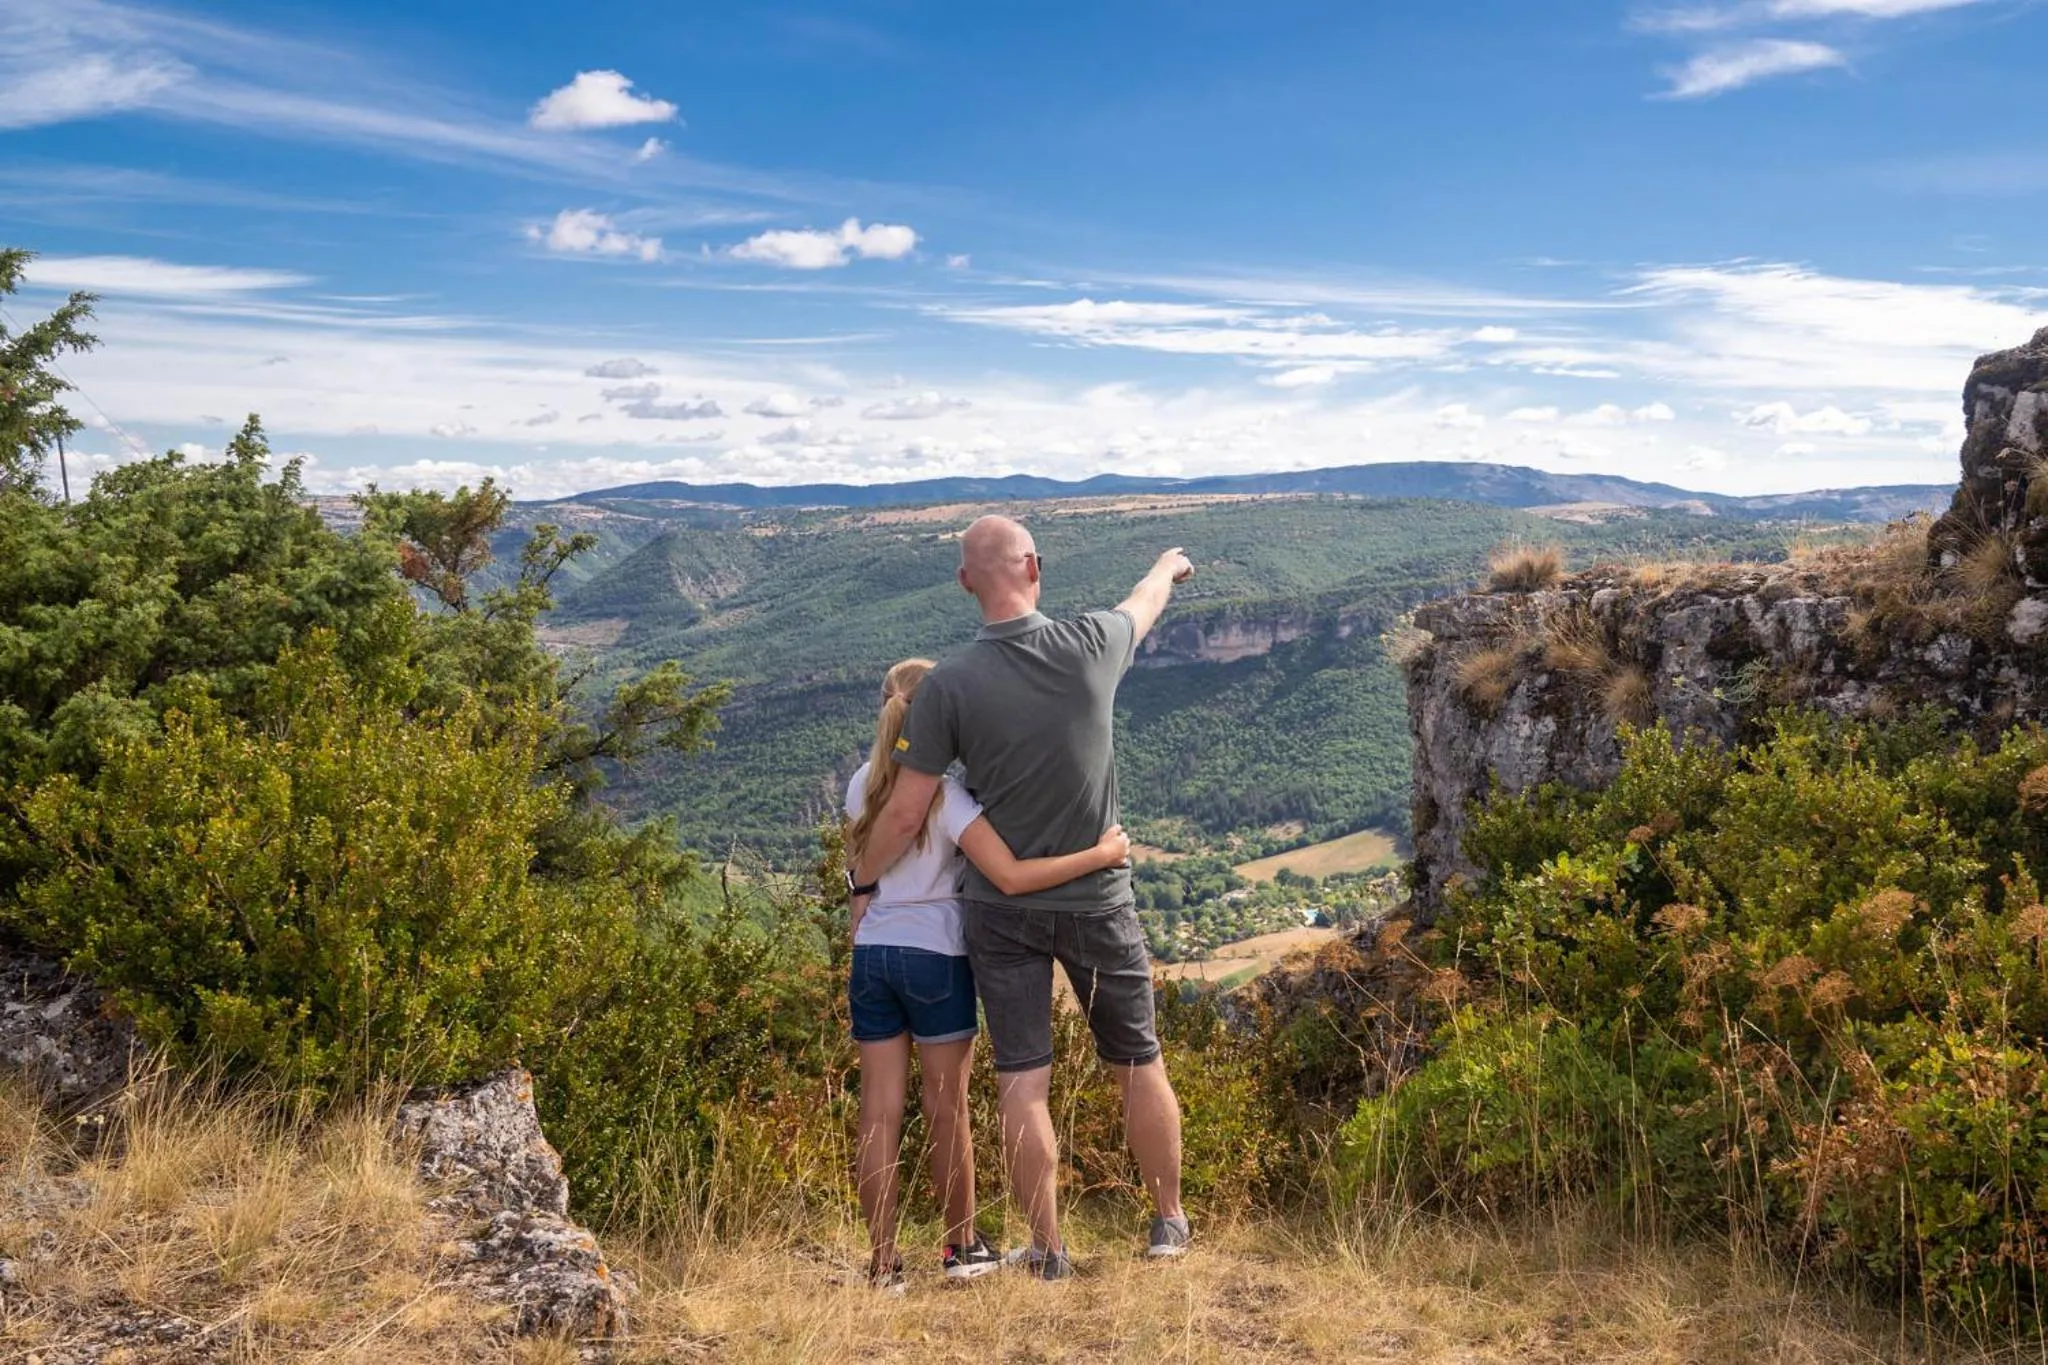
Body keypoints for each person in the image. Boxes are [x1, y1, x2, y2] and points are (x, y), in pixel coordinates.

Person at [850, 518, 1194, 1279]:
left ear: (966, 581)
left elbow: (906, 812)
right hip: (1100, 897)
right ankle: (1168, 1220)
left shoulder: (947, 684)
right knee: (1138, 1060)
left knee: (1022, 1080)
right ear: (1035, 568)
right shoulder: (1094, 643)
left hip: (999, 913)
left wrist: (863, 882)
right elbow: (1142, 601)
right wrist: (1167, 566)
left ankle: (1047, 1247)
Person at [843, 657, 1133, 1292]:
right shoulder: (946, 798)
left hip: (873, 956)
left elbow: (862, 869)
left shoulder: (862, 781)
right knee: (947, 1110)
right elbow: (1010, 876)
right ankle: (962, 1248)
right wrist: (1101, 854)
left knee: (878, 1114)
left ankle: (884, 1264)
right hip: (938, 958)